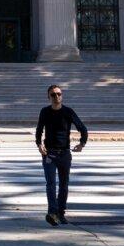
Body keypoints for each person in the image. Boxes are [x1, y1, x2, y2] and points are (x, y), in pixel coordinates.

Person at [35, 85, 88, 227]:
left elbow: (82, 128)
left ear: (62, 95)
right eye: (53, 95)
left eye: (59, 94)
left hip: (64, 154)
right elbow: (39, 129)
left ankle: (60, 213)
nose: (56, 96)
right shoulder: (45, 111)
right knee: (51, 184)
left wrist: (82, 144)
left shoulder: (68, 112)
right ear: (49, 97)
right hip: (49, 154)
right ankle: (52, 213)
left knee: (64, 185)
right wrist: (39, 144)